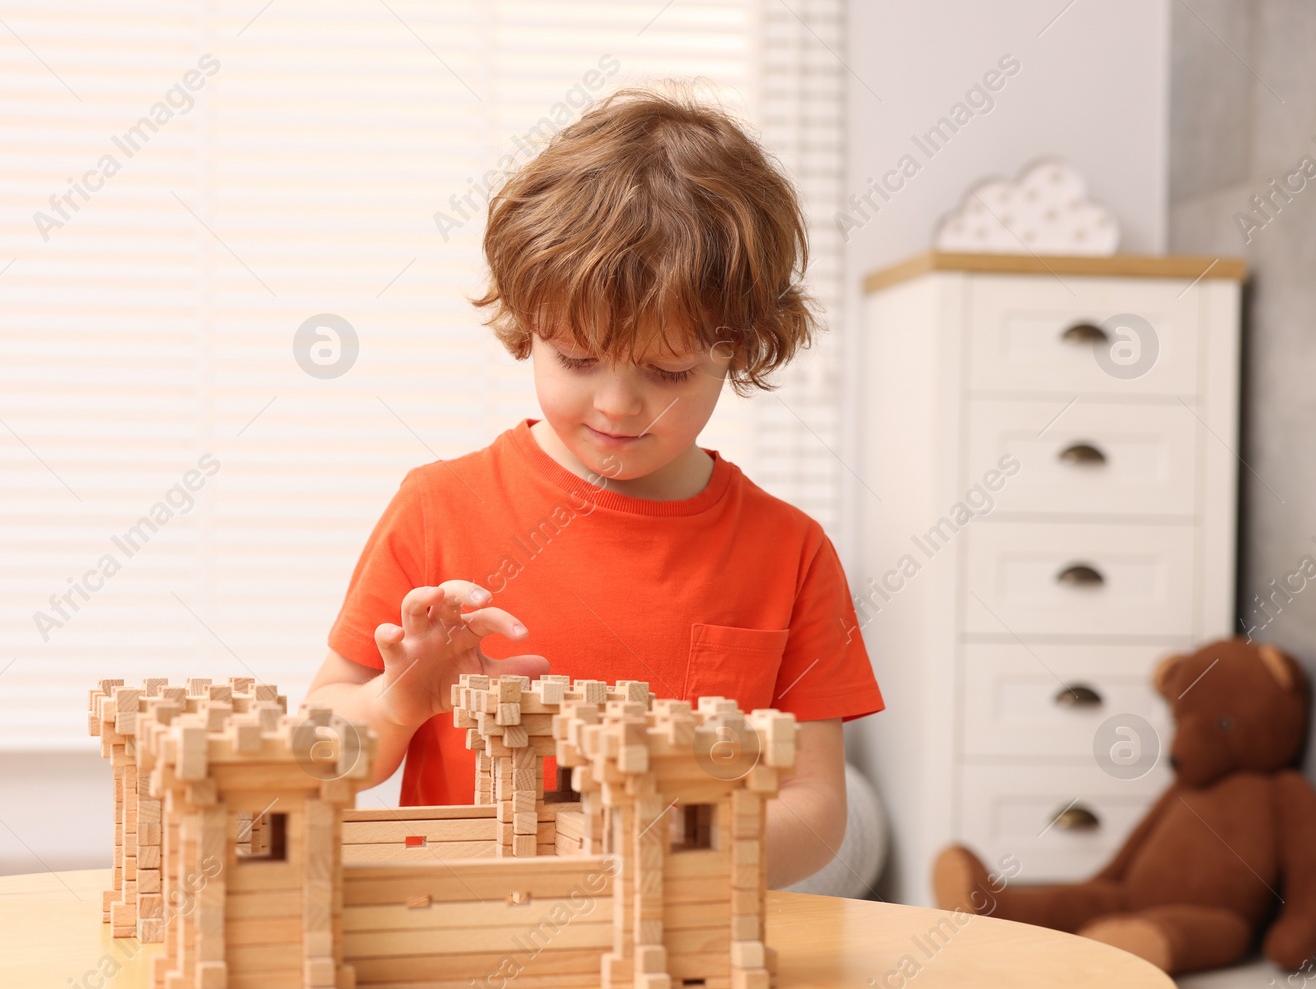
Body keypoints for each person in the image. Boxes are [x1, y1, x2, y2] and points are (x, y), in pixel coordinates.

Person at [305, 82, 884, 889]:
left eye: (668, 371)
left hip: (675, 959)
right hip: (460, 954)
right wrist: (398, 702)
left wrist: (681, 856)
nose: (616, 404)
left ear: (743, 348)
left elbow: (817, 806)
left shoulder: (790, 553)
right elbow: (320, 750)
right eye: (576, 359)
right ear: (526, 322)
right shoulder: (438, 507)